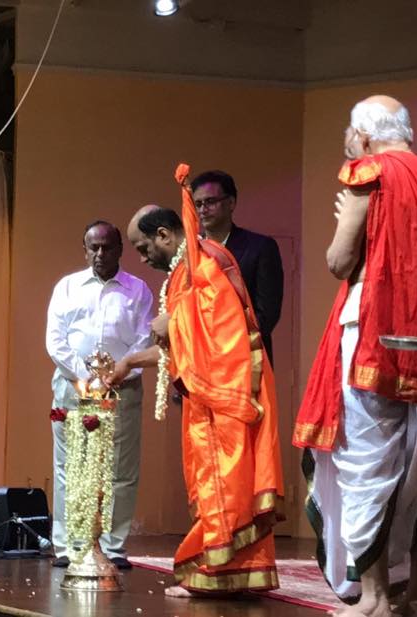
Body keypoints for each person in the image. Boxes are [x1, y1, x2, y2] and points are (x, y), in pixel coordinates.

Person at [294, 96, 417, 617]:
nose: (347, 147)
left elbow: (339, 260)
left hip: (374, 338)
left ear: (364, 136)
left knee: (367, 468)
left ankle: (374, 598)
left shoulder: (368, 173)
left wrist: (346, 220)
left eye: (348, 138)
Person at [110, 164, 284, 596]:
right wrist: (131, 360)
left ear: (164, 235)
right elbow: (188, 339)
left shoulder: (204, 264)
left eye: (143, 247)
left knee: (225, 485)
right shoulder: (190, 267)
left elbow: (224, 331)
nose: (142, 257)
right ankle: (238, 575)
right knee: (223, 486)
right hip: (211, 395)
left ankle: (213, 576)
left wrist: (172, 323)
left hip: (226, 394)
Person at [45, 221, 154, 569]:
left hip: (123, 387)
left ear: (120, 249)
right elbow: (55, 340)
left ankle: (113, 547)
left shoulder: (138, 290)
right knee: (69, 466)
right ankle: (69, 546)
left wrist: (115, 374)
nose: (100, 254)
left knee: (121, 469)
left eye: (107, 247)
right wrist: (86, 377)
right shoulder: (67, 287)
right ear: (85, 250)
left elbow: (145, 341)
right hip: (72, 387)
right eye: (93, 247)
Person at [191, 170, 284, 364]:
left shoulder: (260, 247)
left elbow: (266, 315)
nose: (203, 210)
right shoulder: (191, 250)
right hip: (199, 358)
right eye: (198, 204)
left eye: (210, 202)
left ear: (231, 203)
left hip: (244, 358)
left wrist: (224, 344)